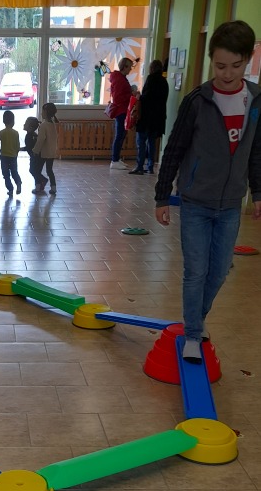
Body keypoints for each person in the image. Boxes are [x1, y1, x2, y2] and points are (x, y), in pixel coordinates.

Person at [155, 20, 261, 363]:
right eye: (219, 66)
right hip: (196, 202)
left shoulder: (255, 100)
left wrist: (258, 193)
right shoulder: (197, 101)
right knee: (196, 271)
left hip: (231, 204)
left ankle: (196, 320)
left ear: (247, 60)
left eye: (235, 66)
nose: (227, 74)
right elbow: (174, 149)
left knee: (219, 271)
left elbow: (256, 151)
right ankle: (192, 333)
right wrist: (162, 196)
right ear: (211, 60)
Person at [130, 60, 169, 175]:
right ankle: (150, 167)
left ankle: (139, 166)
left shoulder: (151, 79)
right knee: (152, 143)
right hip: (158, 118)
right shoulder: (164, 82)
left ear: (151, 68)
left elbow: (146, 98)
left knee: (141, 142)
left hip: (147, 117)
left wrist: (138, 96)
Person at [109, 56, 134, 169]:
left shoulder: (121, 78)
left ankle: (117, 158)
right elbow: (118, 97)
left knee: (122, 134)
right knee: (119, 135)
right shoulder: (119, 79)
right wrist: (131, 95)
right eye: (129, 67)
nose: (131, 69)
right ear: (124, 67)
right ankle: (114, 160)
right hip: (121, 110)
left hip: (123, 110)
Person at [32, 102, 59, 194]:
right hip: (51, 152)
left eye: (42, 111)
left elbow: (40, 140)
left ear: (46, 112)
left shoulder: (44, 125)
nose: (41, 113)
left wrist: (35, 150)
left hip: (43, 153)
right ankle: (53, 188)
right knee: (49, 170)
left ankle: (38, 187)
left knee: (37, 170)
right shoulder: (52, 124)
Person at [0, 110, 22, 197]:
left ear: (4, 121)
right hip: (13, 157)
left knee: (6, 174)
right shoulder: (16, 133)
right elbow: (17, 145)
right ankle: (18, 183)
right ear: (13, 122)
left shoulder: (2, 132)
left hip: (4, 157)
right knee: (14, 172)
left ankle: (10, 189)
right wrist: (16, 153)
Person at [21, 116, 42, 189]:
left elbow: (28, 147)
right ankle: (41, 182)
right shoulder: (33, 135)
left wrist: (19, 149)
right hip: (36, 156)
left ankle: (38, 186)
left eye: (26, 123)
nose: (24, 124)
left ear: (30, 127)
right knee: (34, 171)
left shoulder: (29, 136)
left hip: (35, 156)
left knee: (34, 171)